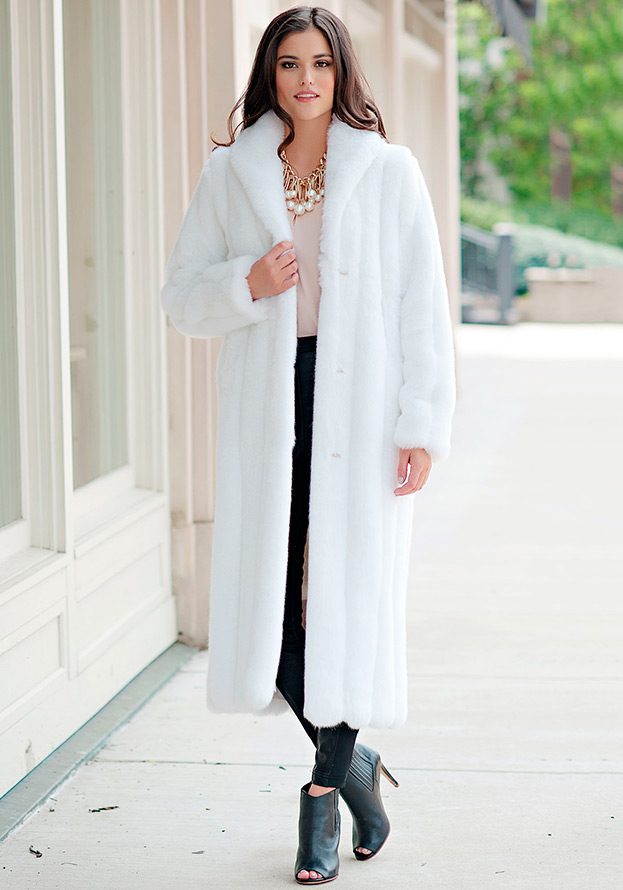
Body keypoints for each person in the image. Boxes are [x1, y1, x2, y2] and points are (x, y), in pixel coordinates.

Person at [160, 6, 456, 885]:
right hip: (270, 403)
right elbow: (181, 297)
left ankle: (322, 796)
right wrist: (246, 282)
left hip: (360, 406)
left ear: (341, 72)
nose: (305, 80)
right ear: (270, 73)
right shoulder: (232, 173)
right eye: (289, 63)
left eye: (320, 63)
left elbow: (422, 307)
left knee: (347, 592)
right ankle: (355, 765)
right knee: (275, 603)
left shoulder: (387, 172)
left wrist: (420, 424)